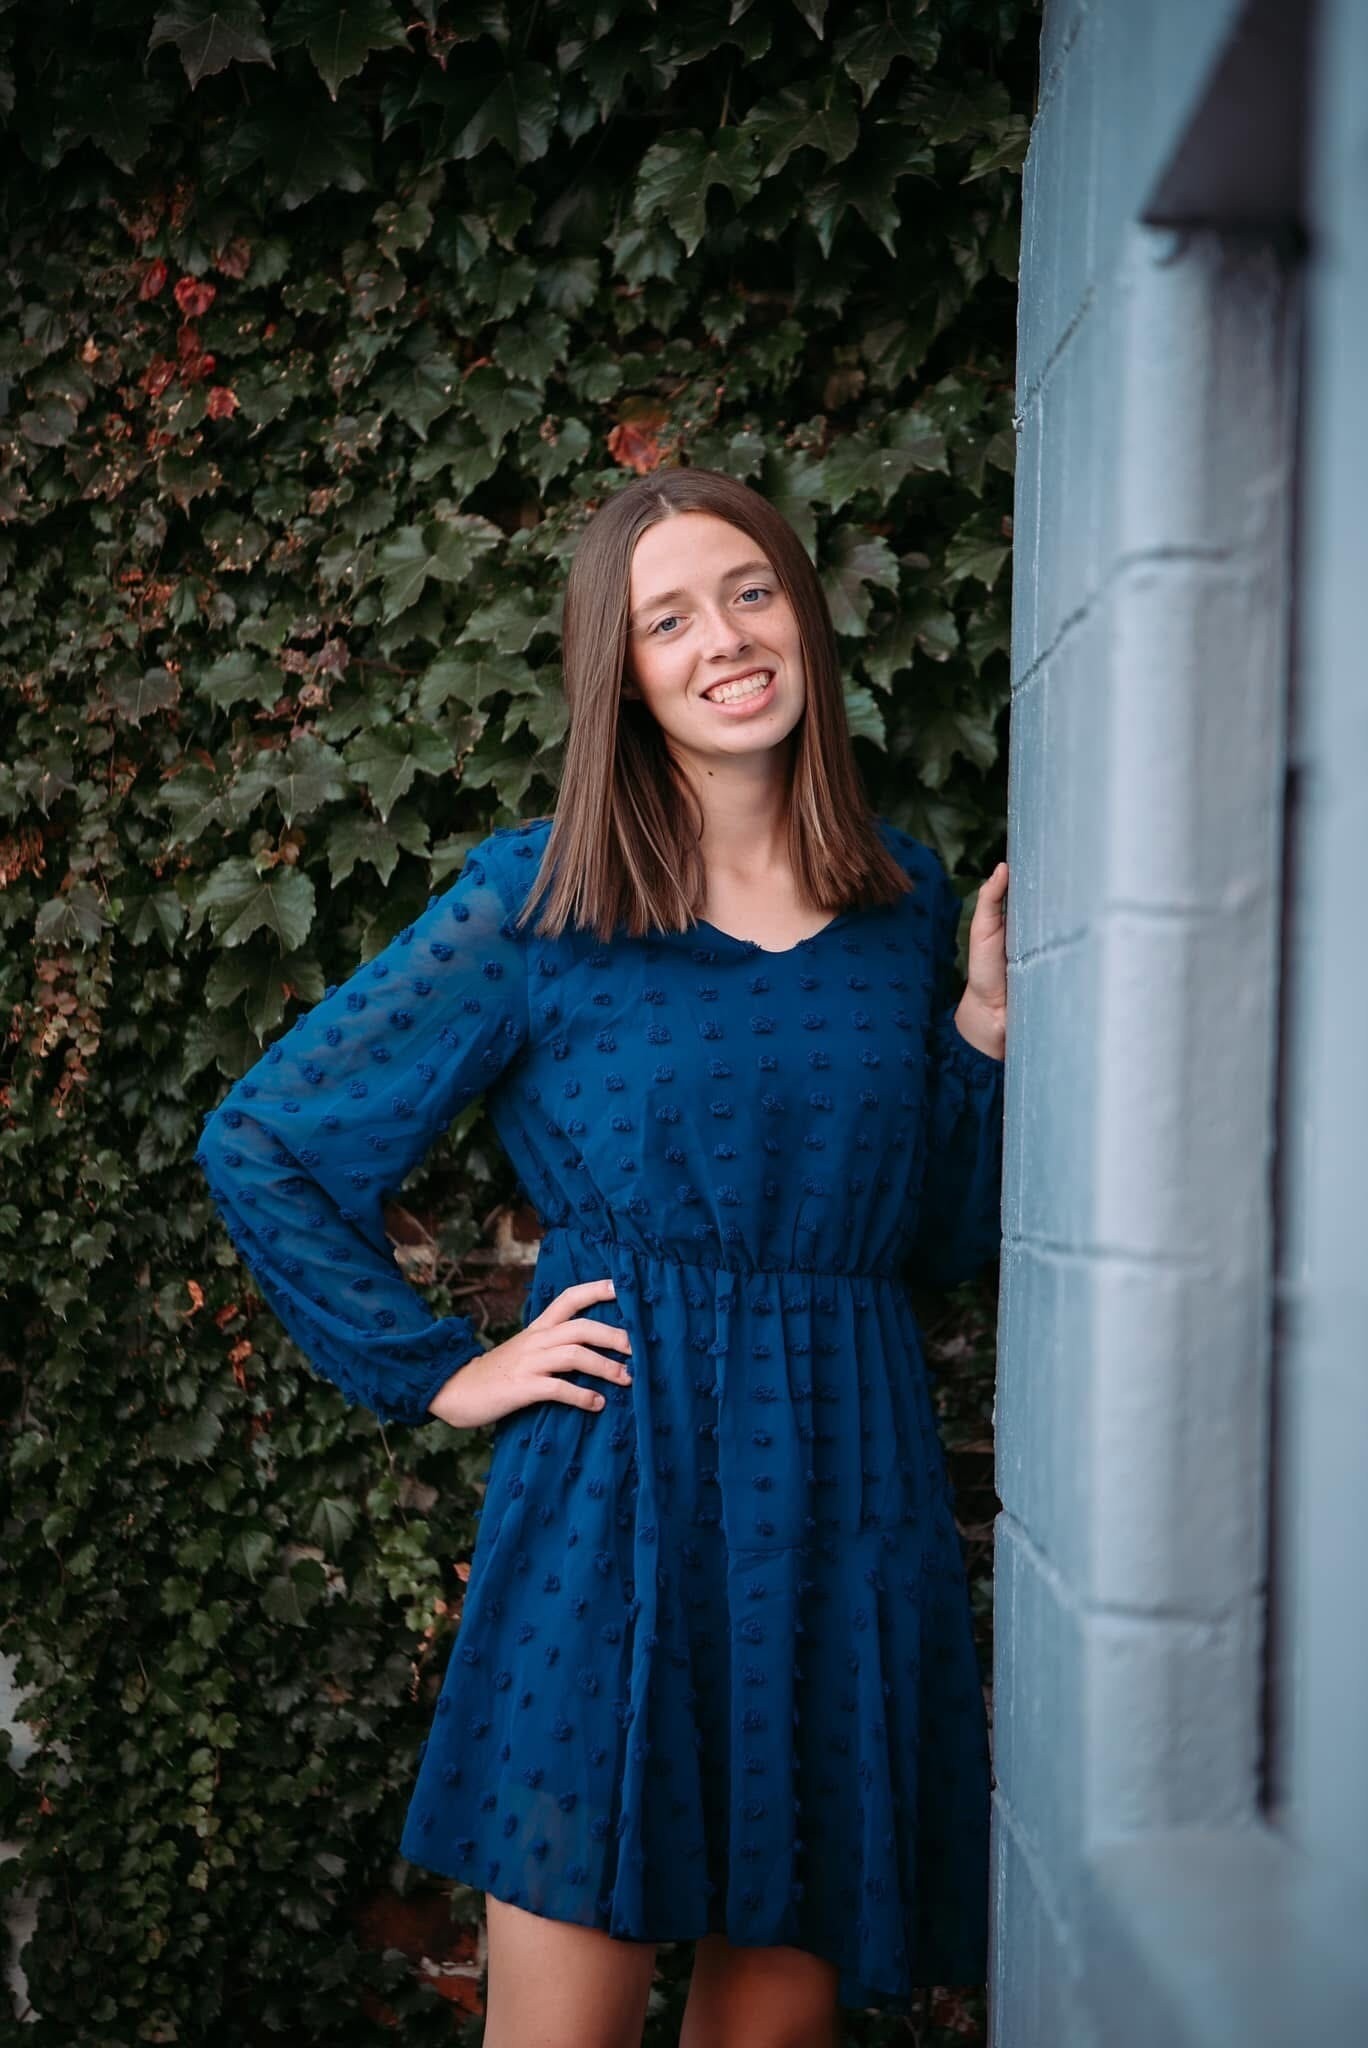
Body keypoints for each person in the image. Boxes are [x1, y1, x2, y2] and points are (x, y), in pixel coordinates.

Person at [195, 466, 1008, 2048]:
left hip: (847, 1495)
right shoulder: (541, 898)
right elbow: (271, 1139)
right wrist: (440, 1370)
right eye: (669, 618)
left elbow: (936, 1244)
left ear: (806, 617)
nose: (725, 639)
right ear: (620, 674)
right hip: (614, 1503)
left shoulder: (905, 906)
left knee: (772, 2030)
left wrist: (976, 1042)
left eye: (752, 591)